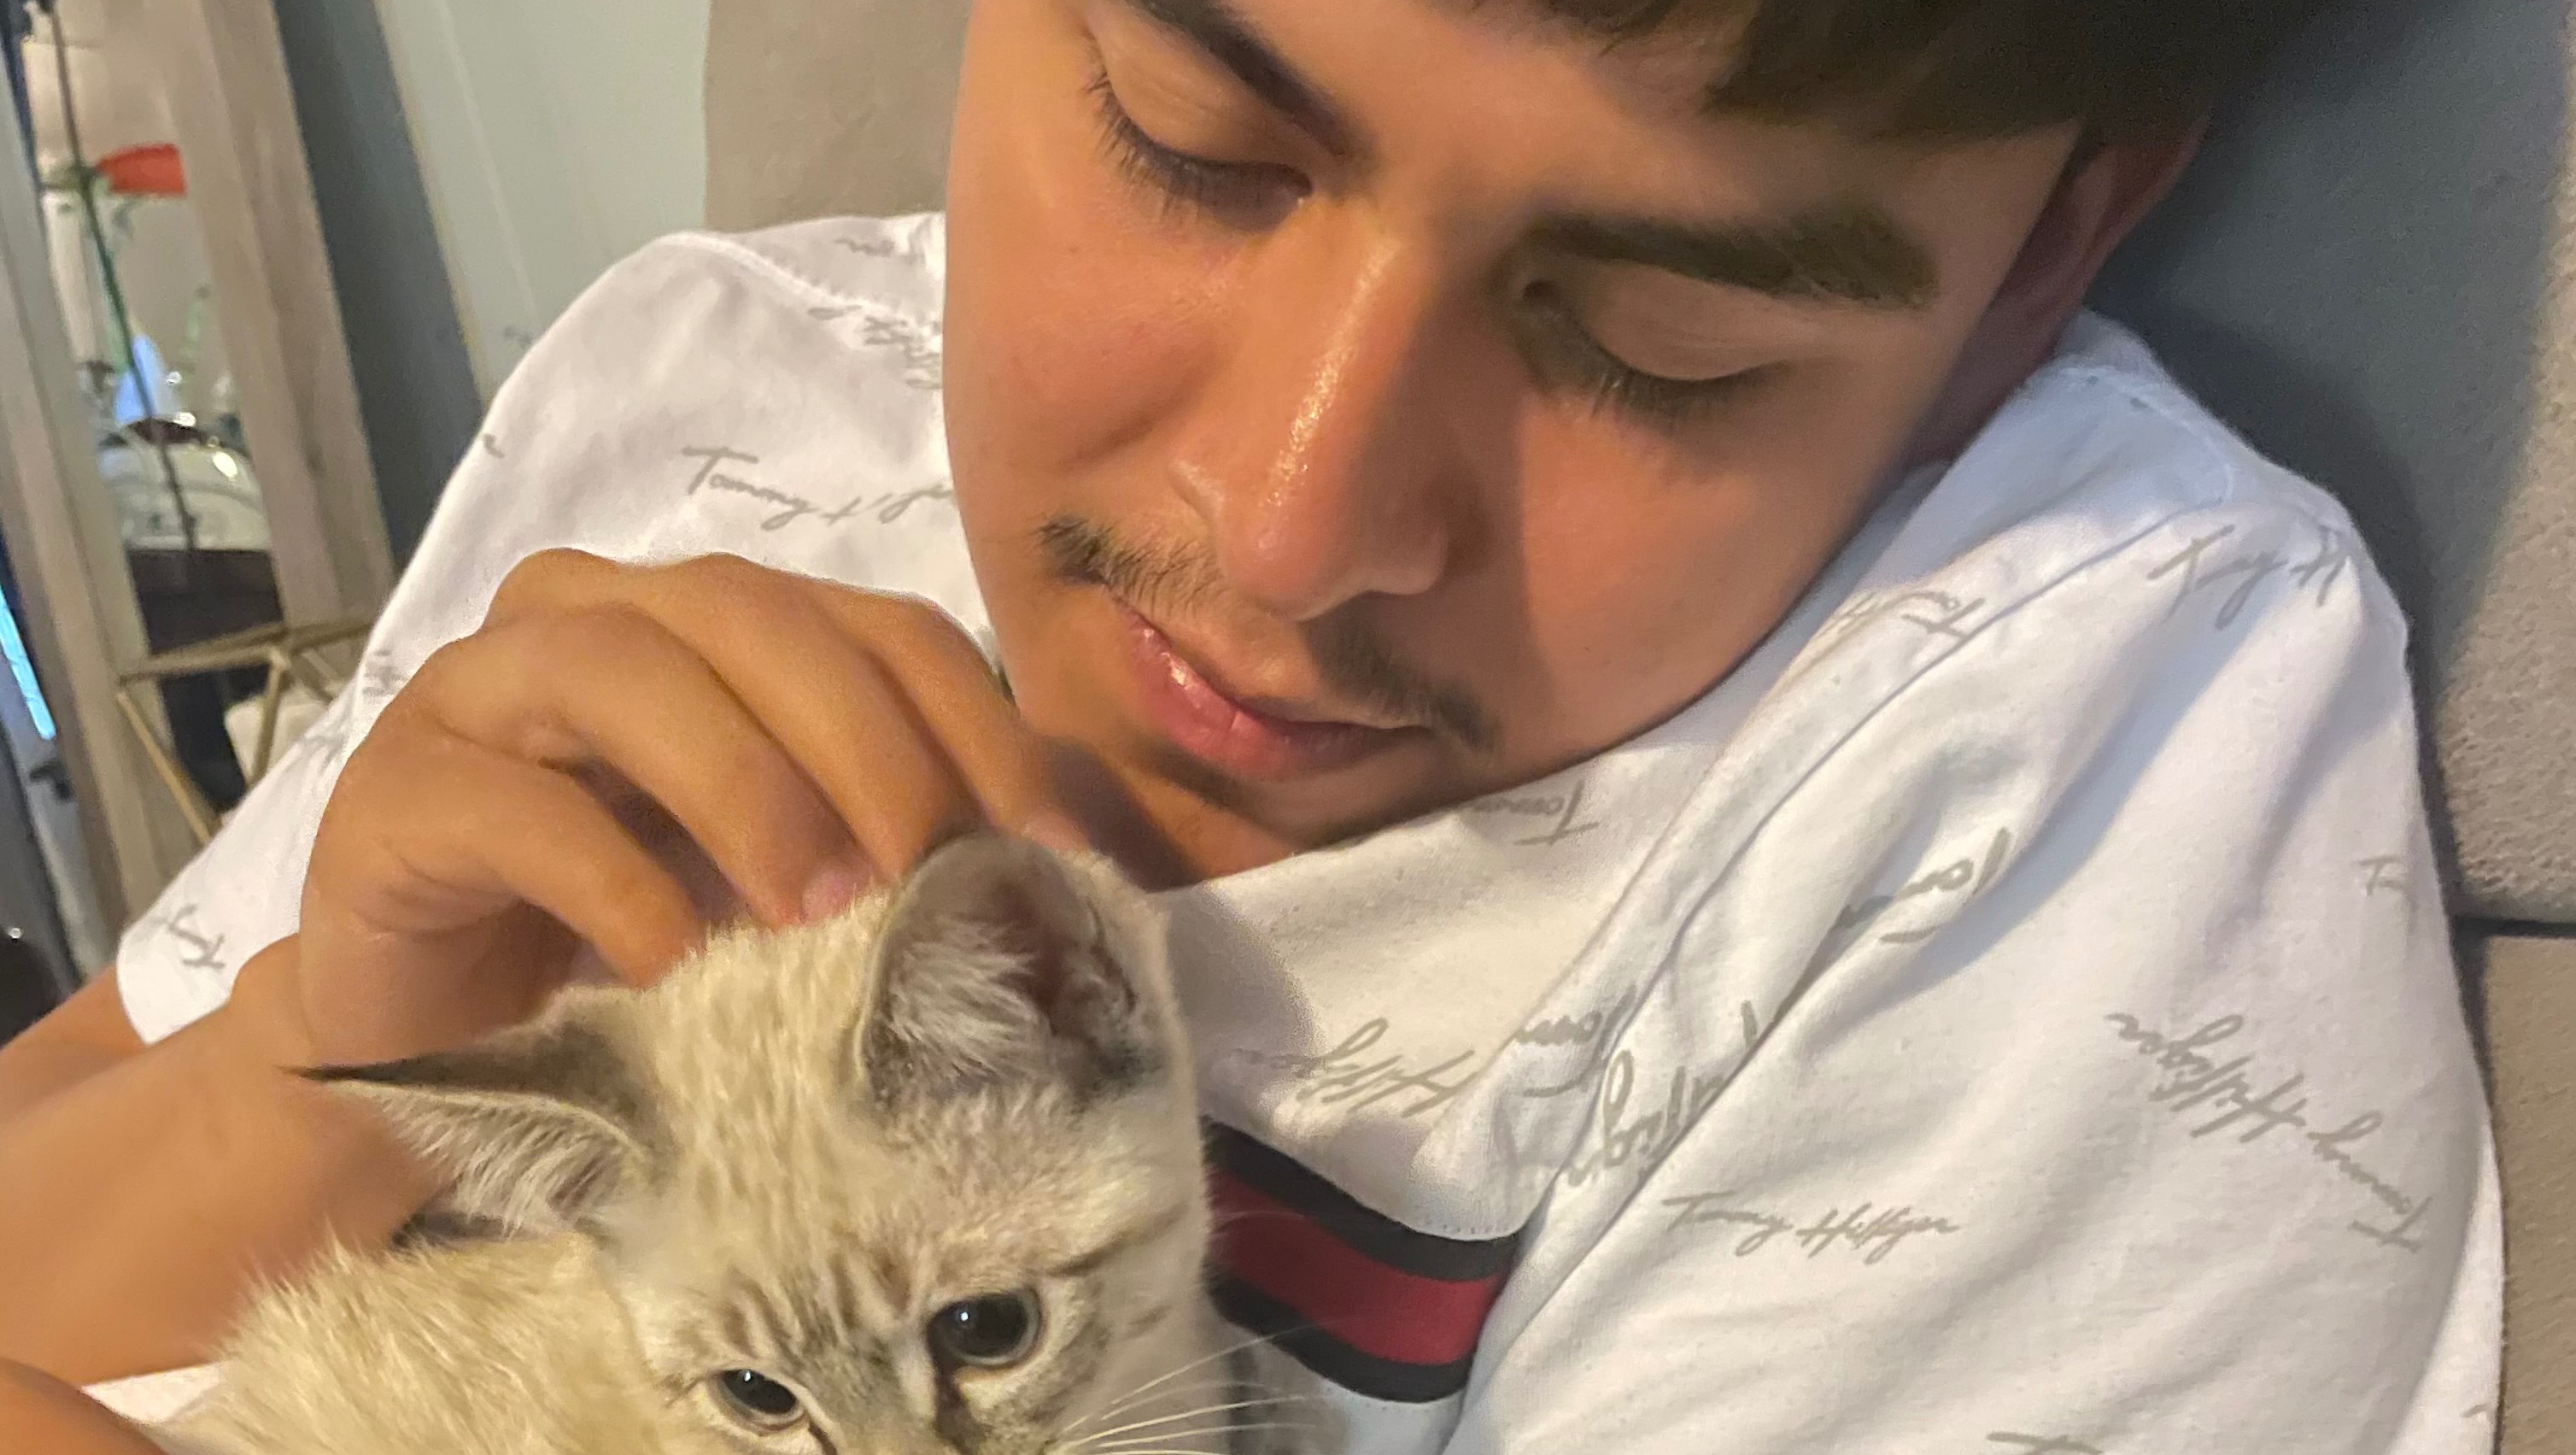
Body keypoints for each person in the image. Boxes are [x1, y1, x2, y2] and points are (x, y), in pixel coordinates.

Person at [0, 0, 2501, 1449]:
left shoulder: (2063, 736)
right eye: (1187, 152)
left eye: (1660, 342)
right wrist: (307, 1064)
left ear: (2050, 240)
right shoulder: (706, 392)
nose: (1291, 530)